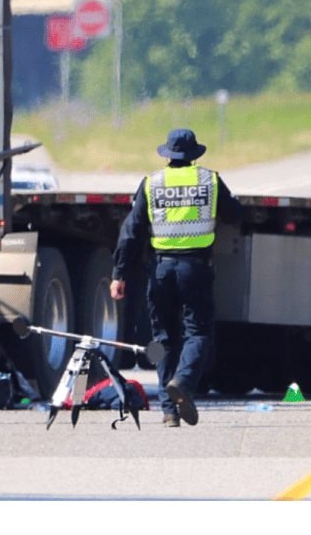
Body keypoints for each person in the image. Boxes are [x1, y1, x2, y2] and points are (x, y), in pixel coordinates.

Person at [110, 128, 243, 427]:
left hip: (161, 269)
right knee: (197, 333)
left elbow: (131, 233)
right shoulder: (209, 180)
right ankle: (182, 381)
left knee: (162, 339)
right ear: (194, 155)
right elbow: (235, 214)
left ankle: (169, 411)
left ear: (167, 155)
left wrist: (118, 273)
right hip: (195, 269)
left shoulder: (151, 184)